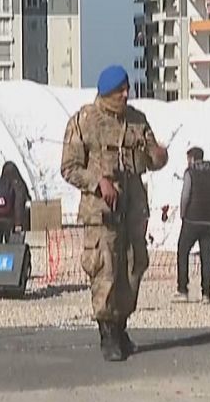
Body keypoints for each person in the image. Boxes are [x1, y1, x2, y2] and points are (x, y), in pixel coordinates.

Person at [61, 65, 167, 362]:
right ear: (107, 92)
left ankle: (122, 327)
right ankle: (107, 334)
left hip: (133, 209)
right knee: (105, 269)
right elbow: (69, 168)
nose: (126, 94)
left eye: (127, 89)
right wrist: (98, 182)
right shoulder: (84, 121)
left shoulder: (137, 120)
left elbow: (152, 157)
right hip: (102, 213)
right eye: (120, 90)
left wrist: (159, 156)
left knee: (133, 267)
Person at [175, 147, 210, 304]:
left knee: (182, 252)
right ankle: (206, 294)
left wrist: (183, 214)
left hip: (192, 220)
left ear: (191, 159)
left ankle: (183, 290)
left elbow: (185, 196)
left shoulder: (190, 173)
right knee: (207, 258)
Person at [0, 161, 32, 244]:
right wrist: (18, 223)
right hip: (9, 221)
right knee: (11, 249)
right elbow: (18, 205)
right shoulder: (17, 184)